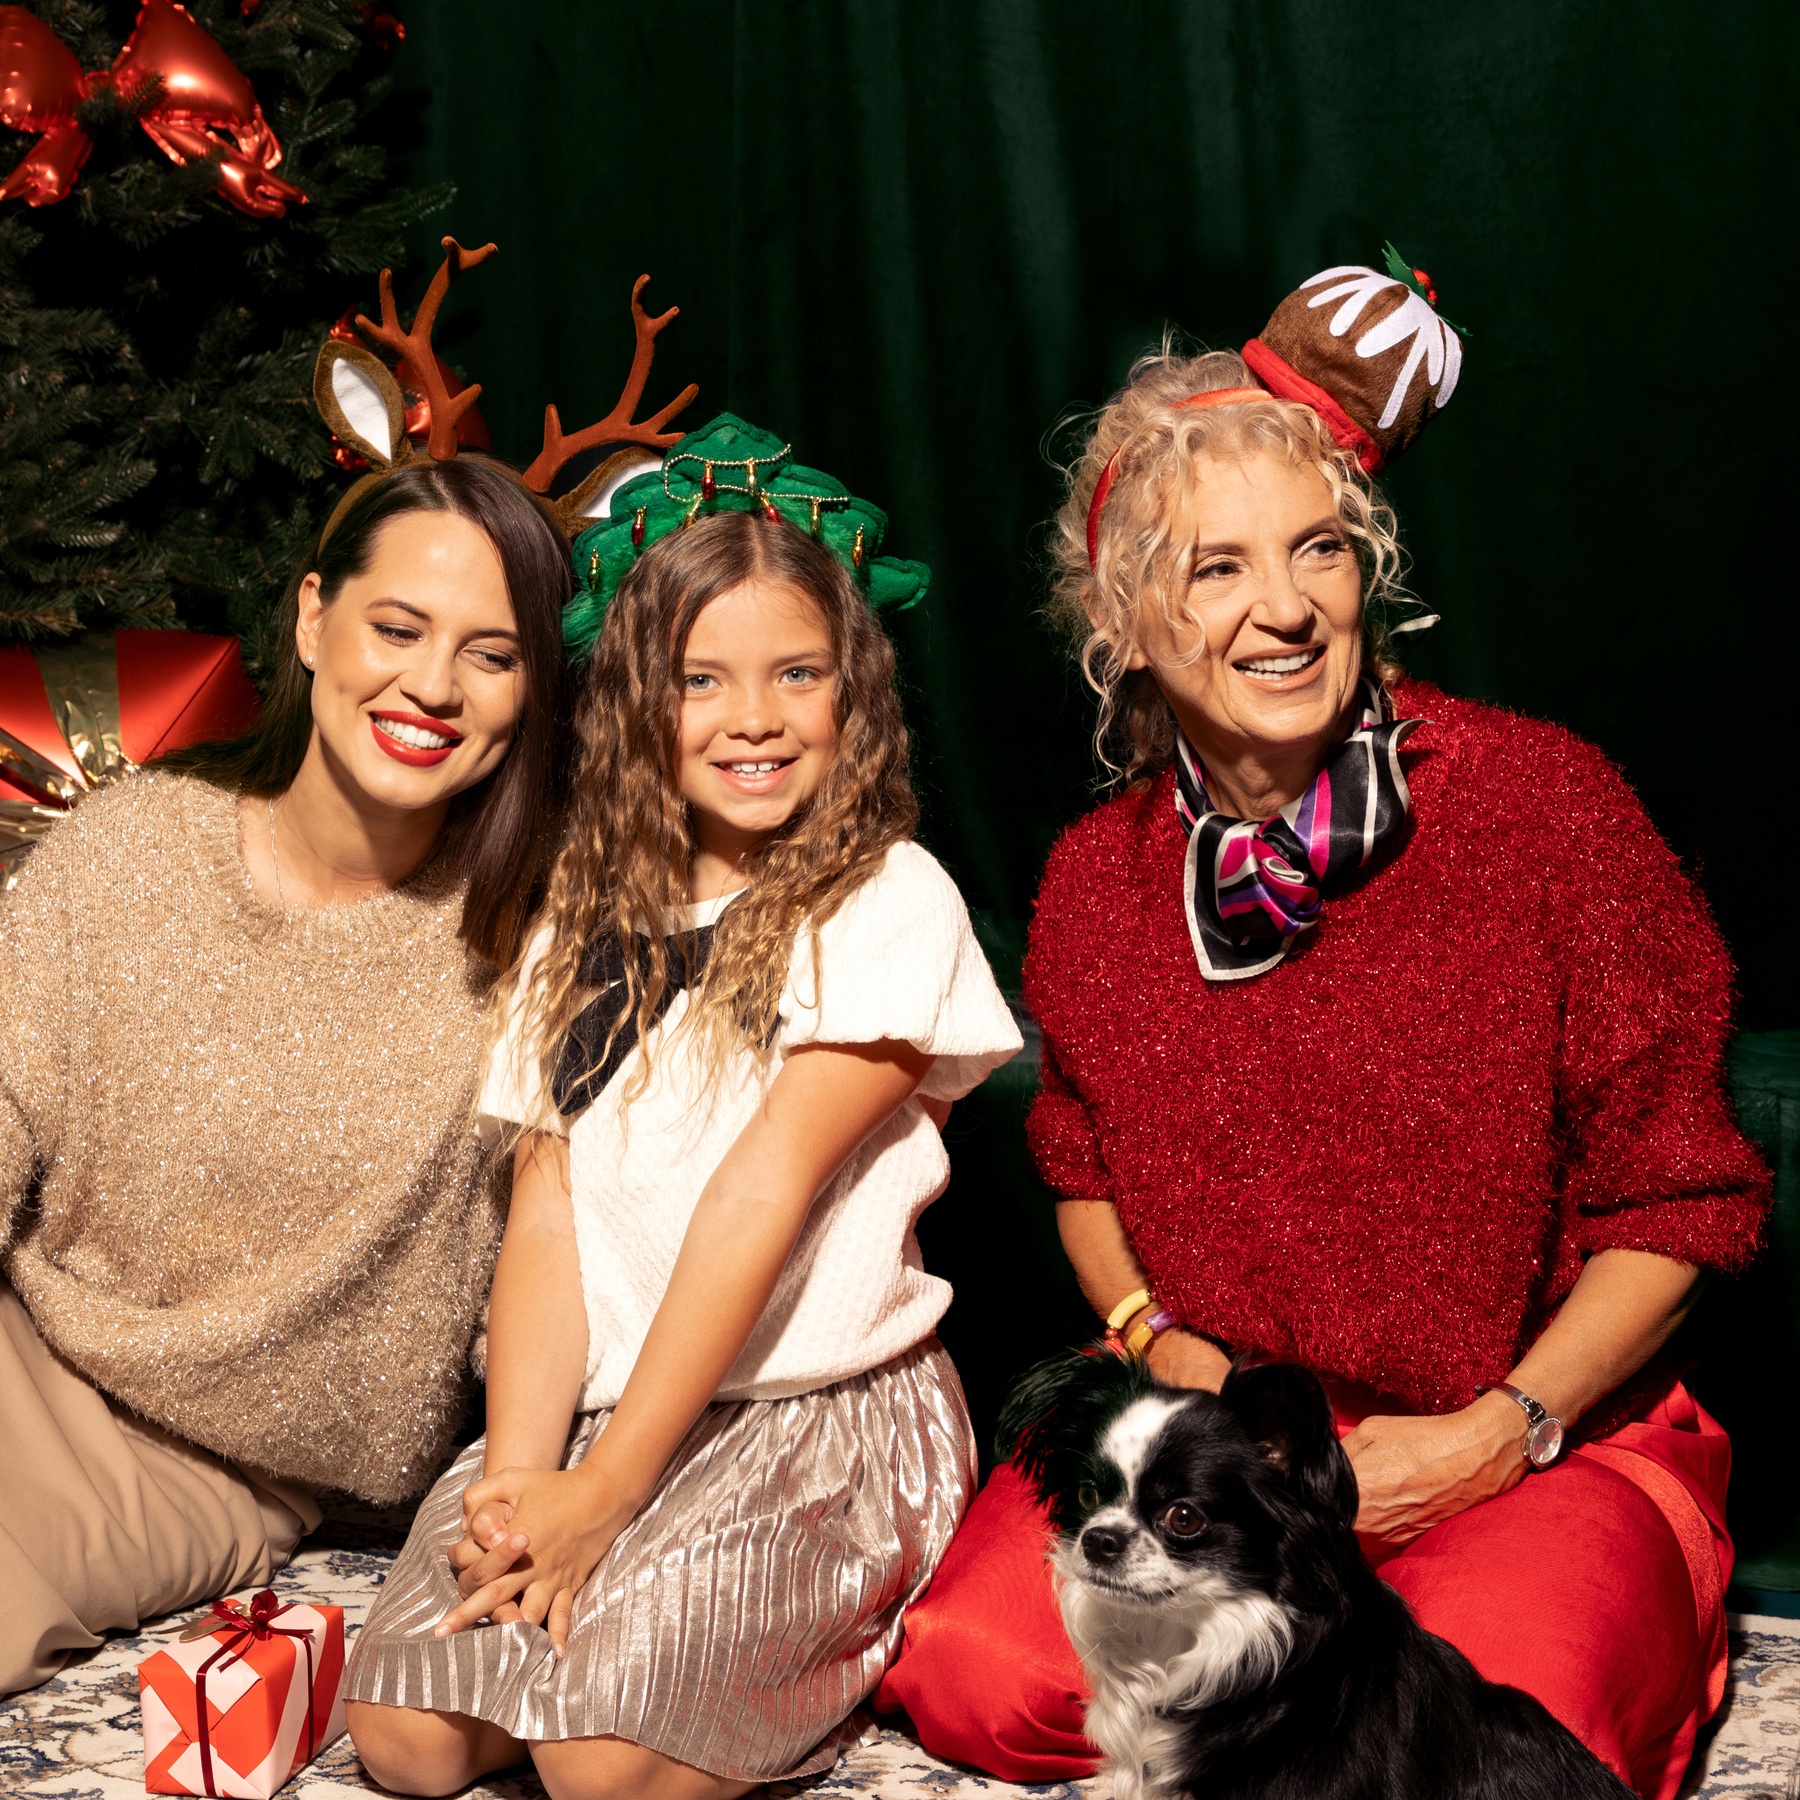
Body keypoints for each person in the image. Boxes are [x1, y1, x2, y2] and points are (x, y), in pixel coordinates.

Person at [875, 258, 1770, 1800]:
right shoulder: (1097, 881)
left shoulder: (1545, 808)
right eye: (1216, 569)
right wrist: (1161, 1345)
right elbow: (1080, 1174)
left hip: (1535, 1436)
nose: (1284, 608)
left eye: (1319, 552)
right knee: (982, 1673)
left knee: (1484, 1736)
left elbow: (1682, 1202)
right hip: (1222, 1458)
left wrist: (1502, 1430)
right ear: (1125, 622)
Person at [344, 416, 1023, 1800]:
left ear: (854, 692)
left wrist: (606, 1503)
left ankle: (839, 1637)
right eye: (699, 680)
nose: (752, 718)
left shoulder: (889, 900)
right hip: (602, 1408)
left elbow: (759, 1191)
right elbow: (546, 1220)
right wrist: (526, 1487)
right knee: (408, 1742)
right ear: (634, 702)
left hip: (806, 1415)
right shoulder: (582, 917)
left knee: (596, 1767)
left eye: (796, 675)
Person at [0, 447, 574, 1694]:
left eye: (491, 654)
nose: (433, 685)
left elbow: (565, 1247)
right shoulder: (132, 846)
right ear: (315, 620)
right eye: (398, 628)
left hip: (212, 1462)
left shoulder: (535, 946)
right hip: (24, 1345)